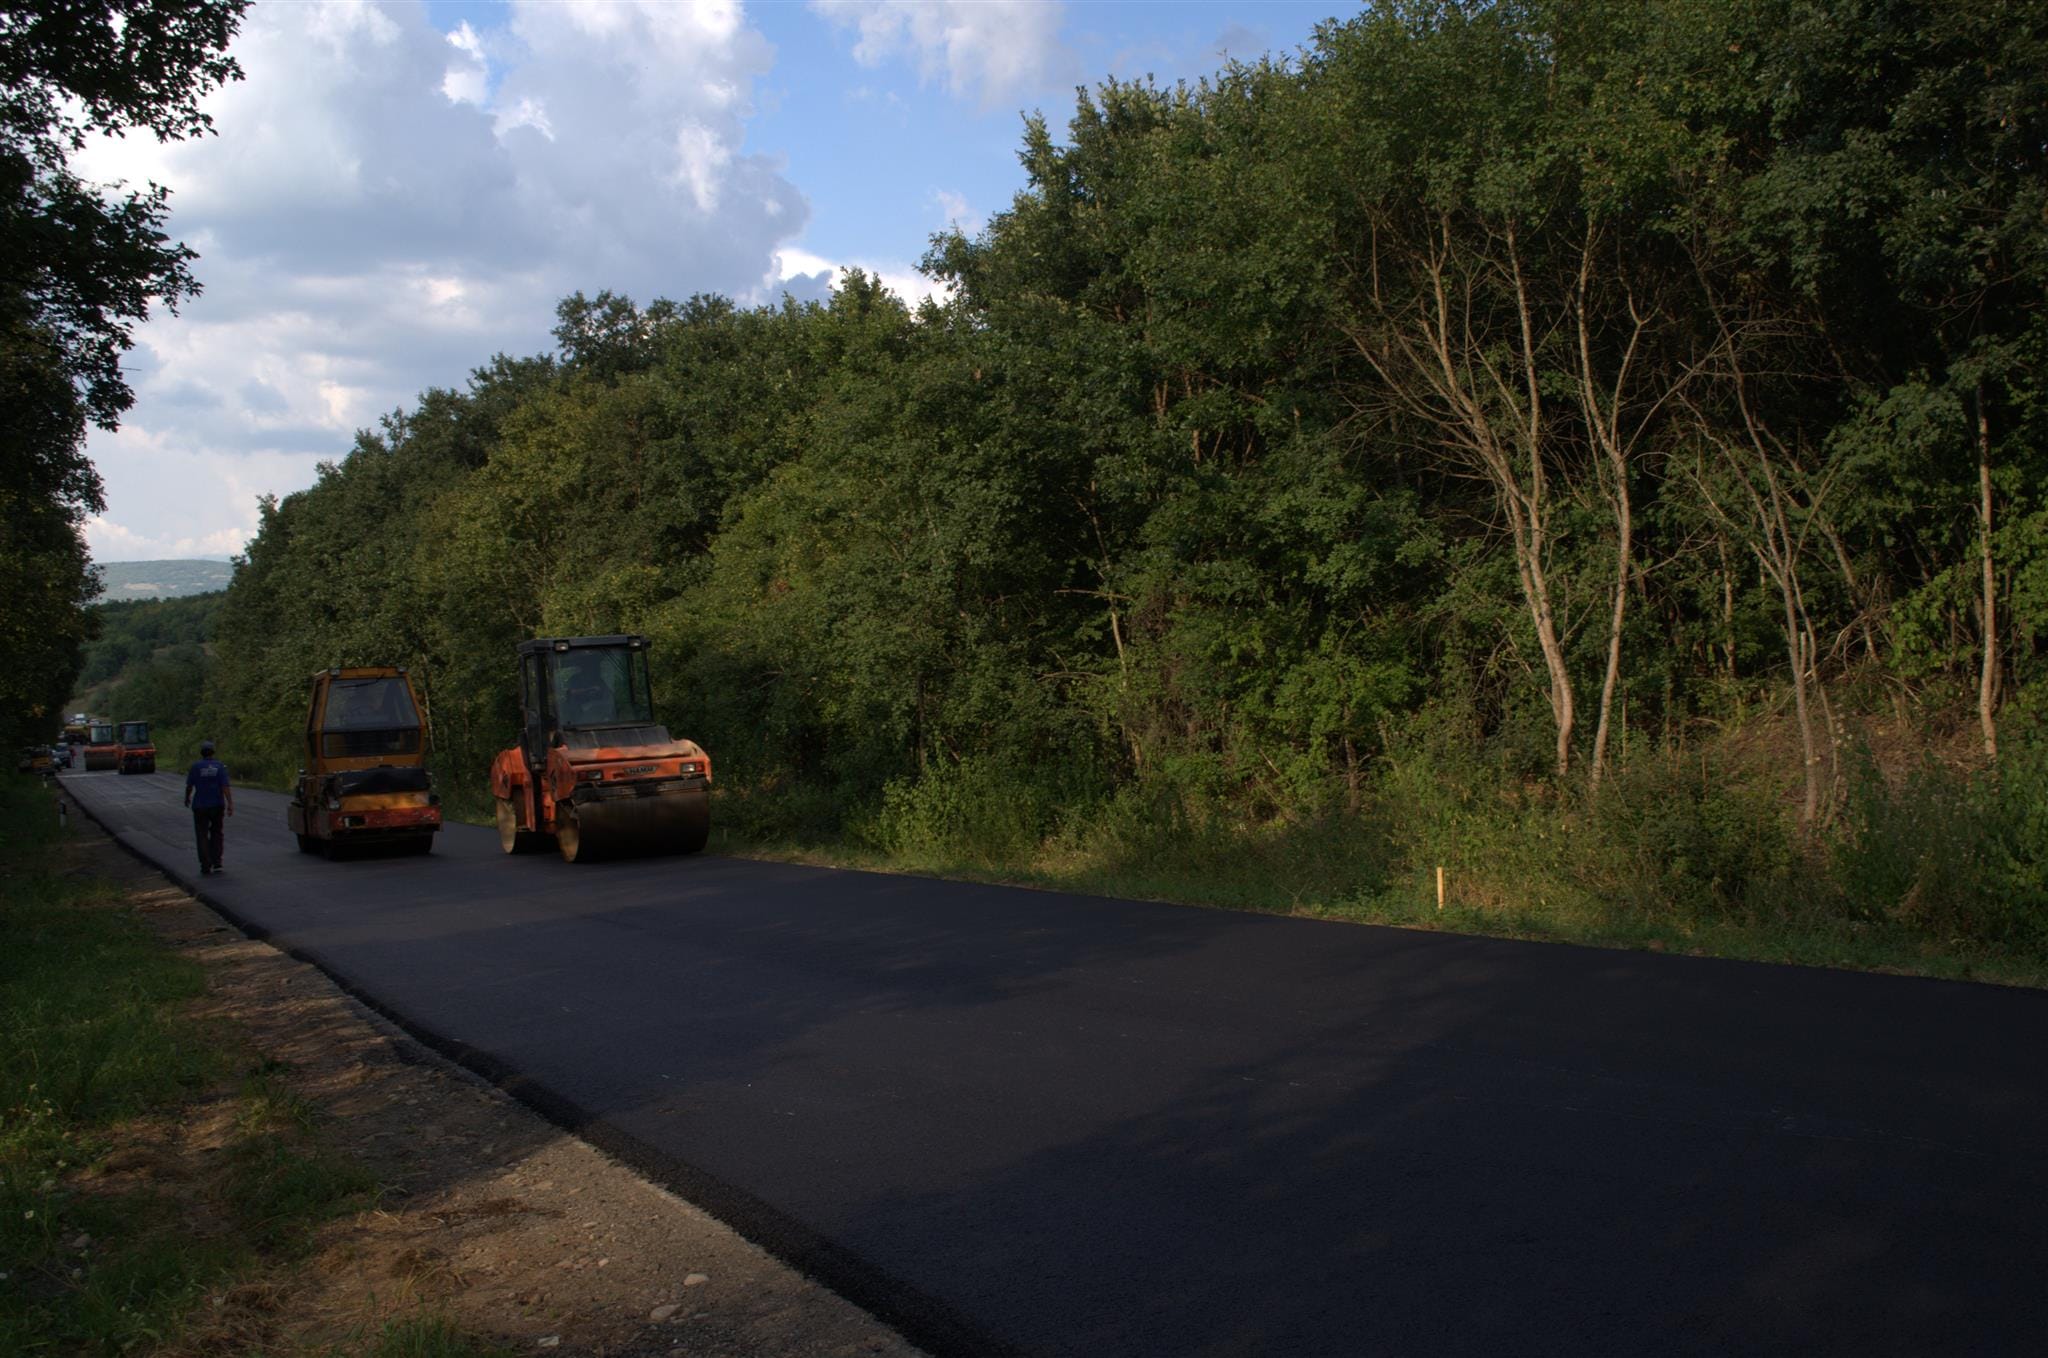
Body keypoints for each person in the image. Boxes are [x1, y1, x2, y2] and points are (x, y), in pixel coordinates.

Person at [184, 738, 234, 876]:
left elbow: (189, 786)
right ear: (212, 752)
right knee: (217, 833)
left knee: (202, 835)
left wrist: (187, 797)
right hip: (217, 805)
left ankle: (205, 864)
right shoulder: (219, 767)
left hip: (200, 805)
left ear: (201, 753)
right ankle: (217, 861)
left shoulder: (196, 767)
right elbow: (225, 786)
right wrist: (230, 803)